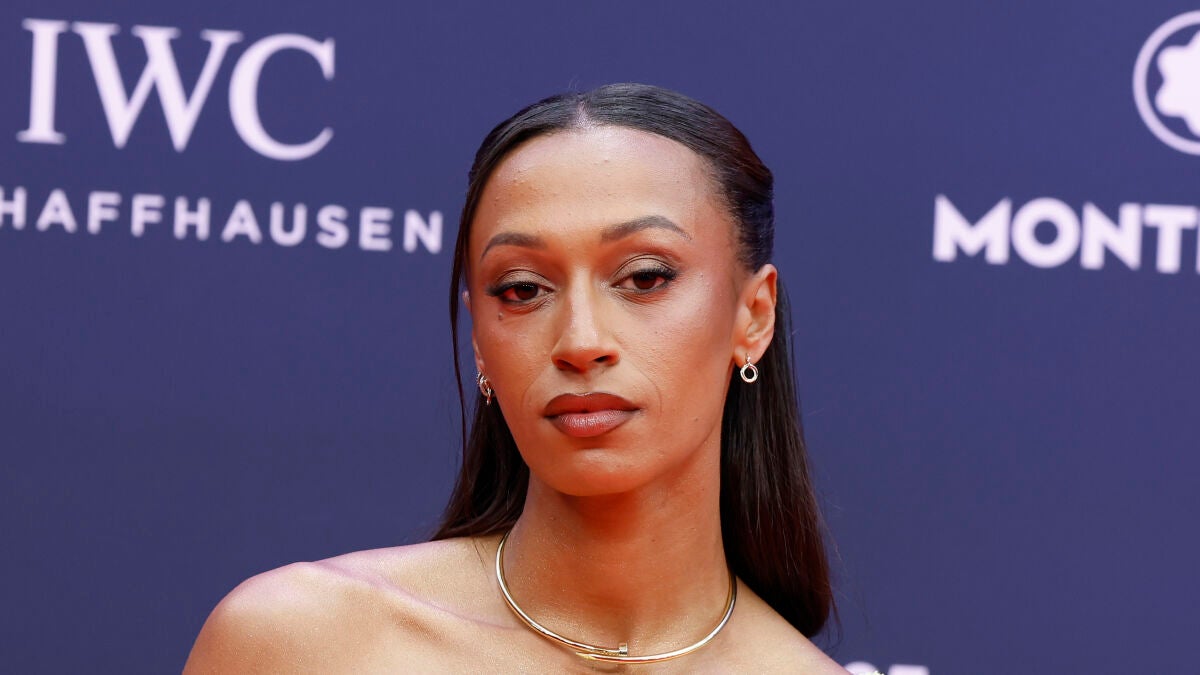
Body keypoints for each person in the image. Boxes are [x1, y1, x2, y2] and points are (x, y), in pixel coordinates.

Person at [184, 83, 846, 672]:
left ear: (753, 316)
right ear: (479, 338)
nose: (580, 342)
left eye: (645, 277)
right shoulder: (301, 645)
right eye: (523, 289)